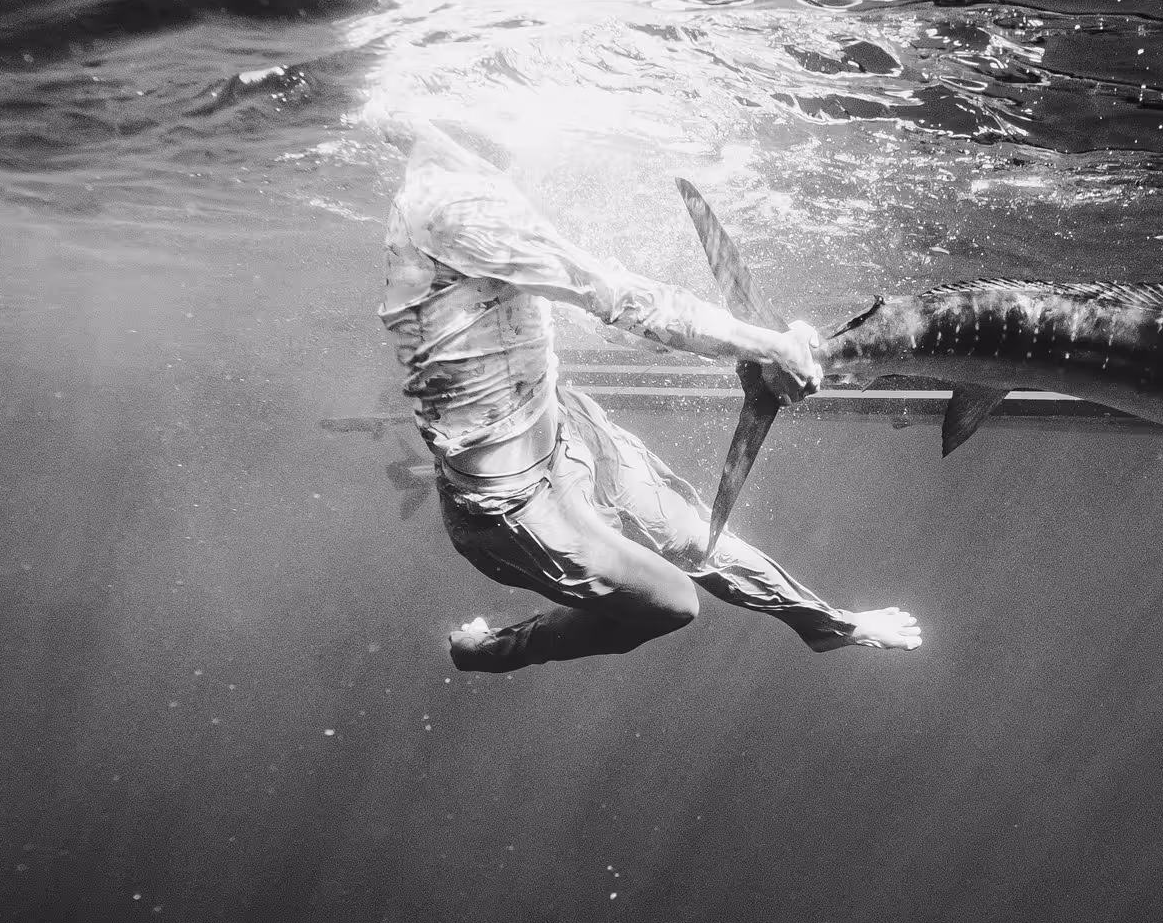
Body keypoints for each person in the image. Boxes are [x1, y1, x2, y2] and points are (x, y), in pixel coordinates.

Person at [378, 121, 922, 672]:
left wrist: (753, 351)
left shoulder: (448, 173)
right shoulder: (455, 209)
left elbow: (556, 303)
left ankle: (827, 626)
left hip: (562, 425)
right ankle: (492, 653)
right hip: (511, 502)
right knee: (671, 604)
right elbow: (619, 297)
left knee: (698, 541)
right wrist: (771, 345)